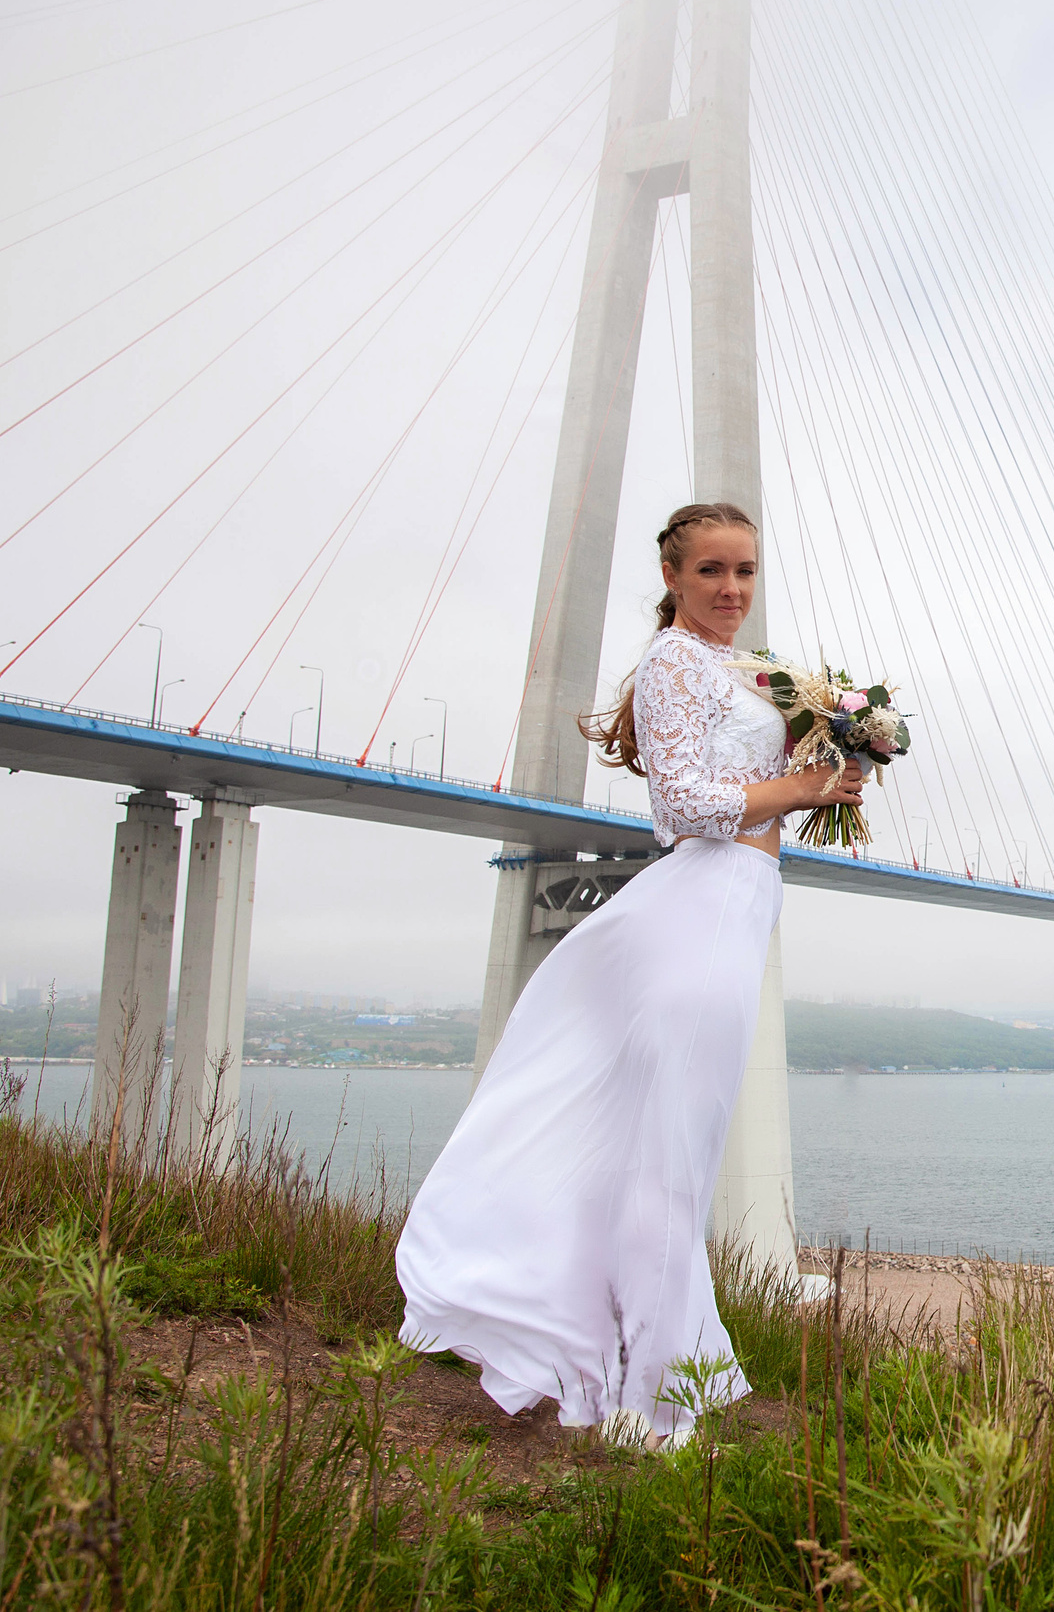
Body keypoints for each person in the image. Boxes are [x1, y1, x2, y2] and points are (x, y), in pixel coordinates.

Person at [395, 501, 864, 1448]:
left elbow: (747, 790)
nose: (732, 590)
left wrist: (840, 757)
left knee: (670, 1153)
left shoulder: (743, 667)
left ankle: (637, 1370)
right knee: (672, 1158)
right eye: (712, 573)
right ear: (672, 578)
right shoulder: (669, 664)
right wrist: (812, 785)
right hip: (698, 912)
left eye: (745, 572)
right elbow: (683, 804)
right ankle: (647, 1402)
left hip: (739, 903)